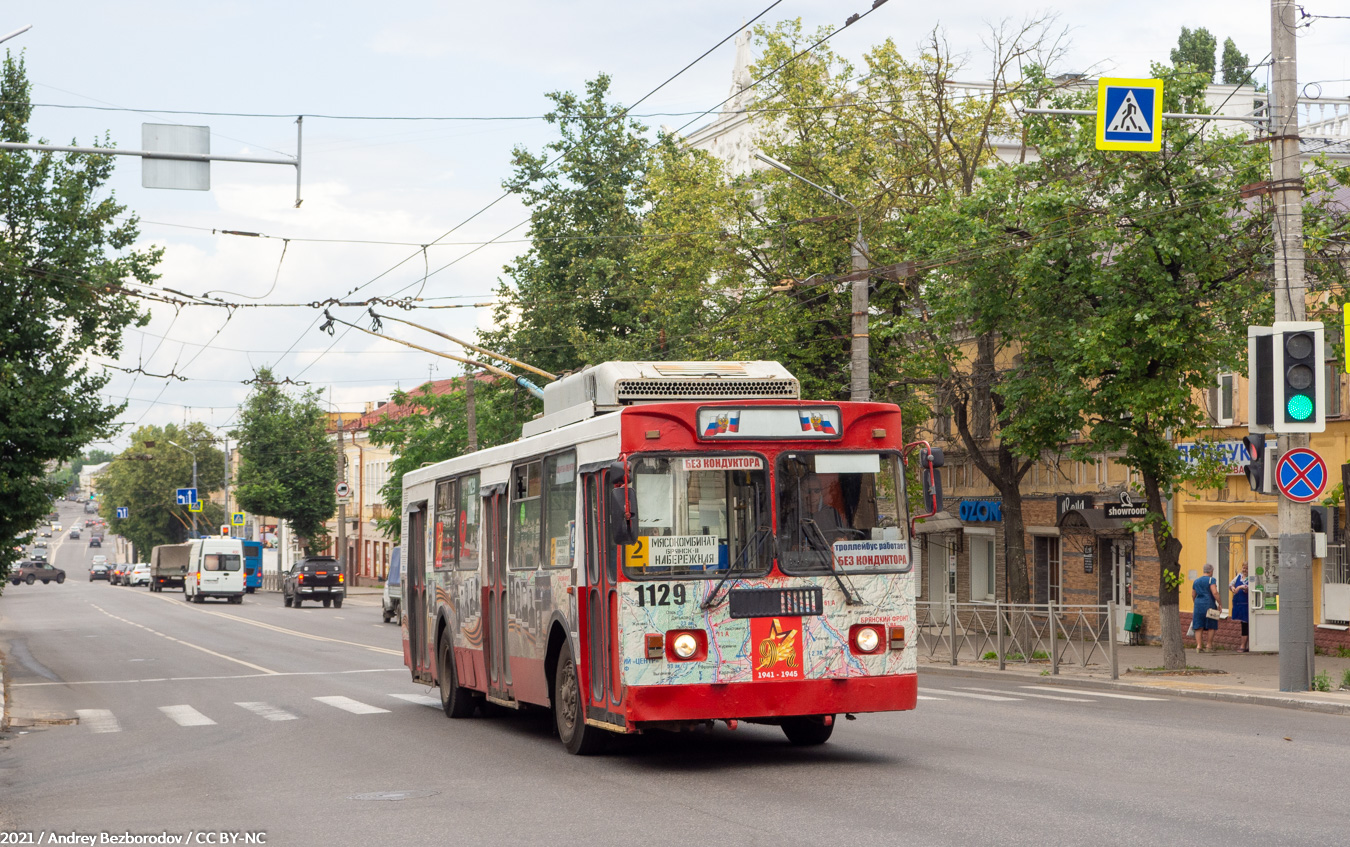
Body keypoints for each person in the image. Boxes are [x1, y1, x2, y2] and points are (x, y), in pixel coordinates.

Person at [1191, 563, 1222, 652]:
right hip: (1209, 604)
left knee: (1198, 626)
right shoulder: (1211, 580)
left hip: (1198, 605)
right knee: (1211, 625)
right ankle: (1209, 646)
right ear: (1211, 571)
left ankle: (1199, 646)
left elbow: (1193, 594)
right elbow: (1215, 592)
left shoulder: (1196, 581)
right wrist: (1220, 603)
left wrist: (1196, 603)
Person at [1230, 563, 1250, 652]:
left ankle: (1243, 646)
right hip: (1239, 603)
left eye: (1246, 568)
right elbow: (1231, 584)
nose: (1244, 570)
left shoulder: (1252, 577)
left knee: (1245, 624)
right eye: (1243, 568)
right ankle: (1244, 645)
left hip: (1247, 604)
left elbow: (1251, 586)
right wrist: (1232, 588)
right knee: (1243, 624)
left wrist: (1241, 587)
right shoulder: (1239, 576)